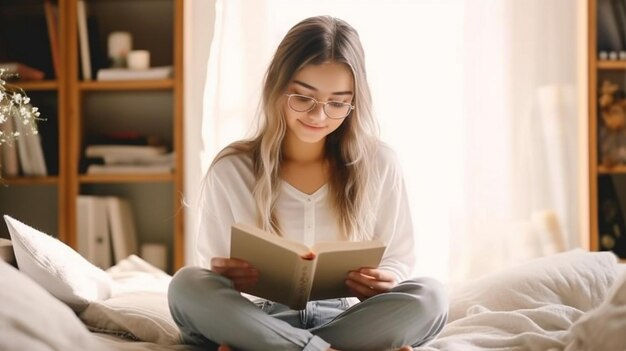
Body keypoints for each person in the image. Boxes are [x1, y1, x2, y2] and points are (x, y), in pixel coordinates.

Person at [168, 15, 448, 351]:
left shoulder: (379, 163)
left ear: (354, 103)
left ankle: (282, 347)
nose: (319, 116)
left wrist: (386, 280)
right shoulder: (232, 169)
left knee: (431, 296)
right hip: (261, 317)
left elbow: (398, 257)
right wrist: (225, 277)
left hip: (344, 320)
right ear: (278, 88)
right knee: (186, 285)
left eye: (338, 102)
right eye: (303, 98)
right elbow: (212, 273)